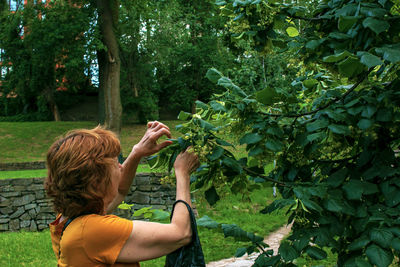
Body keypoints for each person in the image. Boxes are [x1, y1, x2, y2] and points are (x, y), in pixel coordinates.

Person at [45, 121, 199, 266]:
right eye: (114, 163)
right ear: (96, 181)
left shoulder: (67, 221)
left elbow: (119, 190)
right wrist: (182, 173)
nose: (120, 167)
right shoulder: (92, 232)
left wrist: (137, 153)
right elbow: (181, 233)